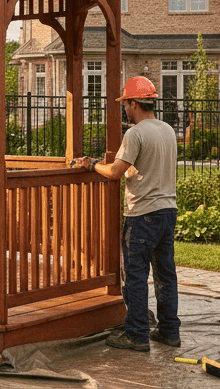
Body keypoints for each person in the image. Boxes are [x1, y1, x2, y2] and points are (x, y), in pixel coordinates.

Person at [74, 76, 179, 351]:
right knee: (166, 275)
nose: (125, 109)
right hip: (168, 211)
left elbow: (114, 172)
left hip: (142, 214)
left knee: (135, 275)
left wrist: (91, 164)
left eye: (125, 104)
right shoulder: (167, 130)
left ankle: (137, 334)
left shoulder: (135, 134)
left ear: (133, 103)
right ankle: (169, 331)